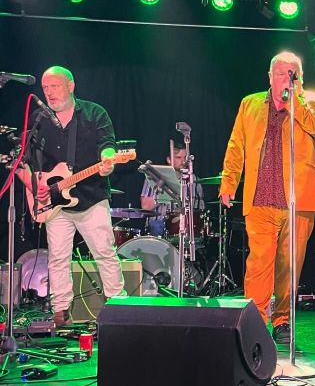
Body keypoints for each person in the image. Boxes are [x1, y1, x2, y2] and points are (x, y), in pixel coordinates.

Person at [219, 51, 315, 343]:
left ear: (300, 78)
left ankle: (283, 321)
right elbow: (236, 144)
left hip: (298, 201)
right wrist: (229, 181)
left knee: (289, 267)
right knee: (258, 265)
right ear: (270, 76)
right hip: (260, 198)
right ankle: (254, 323)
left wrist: (296, 103)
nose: (285, 79)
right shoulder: (250, 104)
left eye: (292, 74)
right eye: (280, 73)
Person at [17, 66, 124, 326]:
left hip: (91, 197)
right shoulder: (40, 119)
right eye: (45, 88)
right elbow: (22, 161)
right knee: (57, 258)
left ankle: (118, 309)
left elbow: (107, 145)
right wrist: (34, 185)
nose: (49, 93)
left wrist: (108, 160)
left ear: (71, 86)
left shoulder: (94, 113)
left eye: (55, 86)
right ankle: (61, 313)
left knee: (104, 253)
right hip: (55, 203)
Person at [140, 143, 205, 237]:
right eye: (178, 158)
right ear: (169, 160)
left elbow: (200, 210)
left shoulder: (194, 180)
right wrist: (164, 189)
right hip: (160, 223)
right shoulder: (154, 175)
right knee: (156, 226)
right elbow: (146, 207)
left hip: (186, 225)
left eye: (185, 158)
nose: (183, 161)